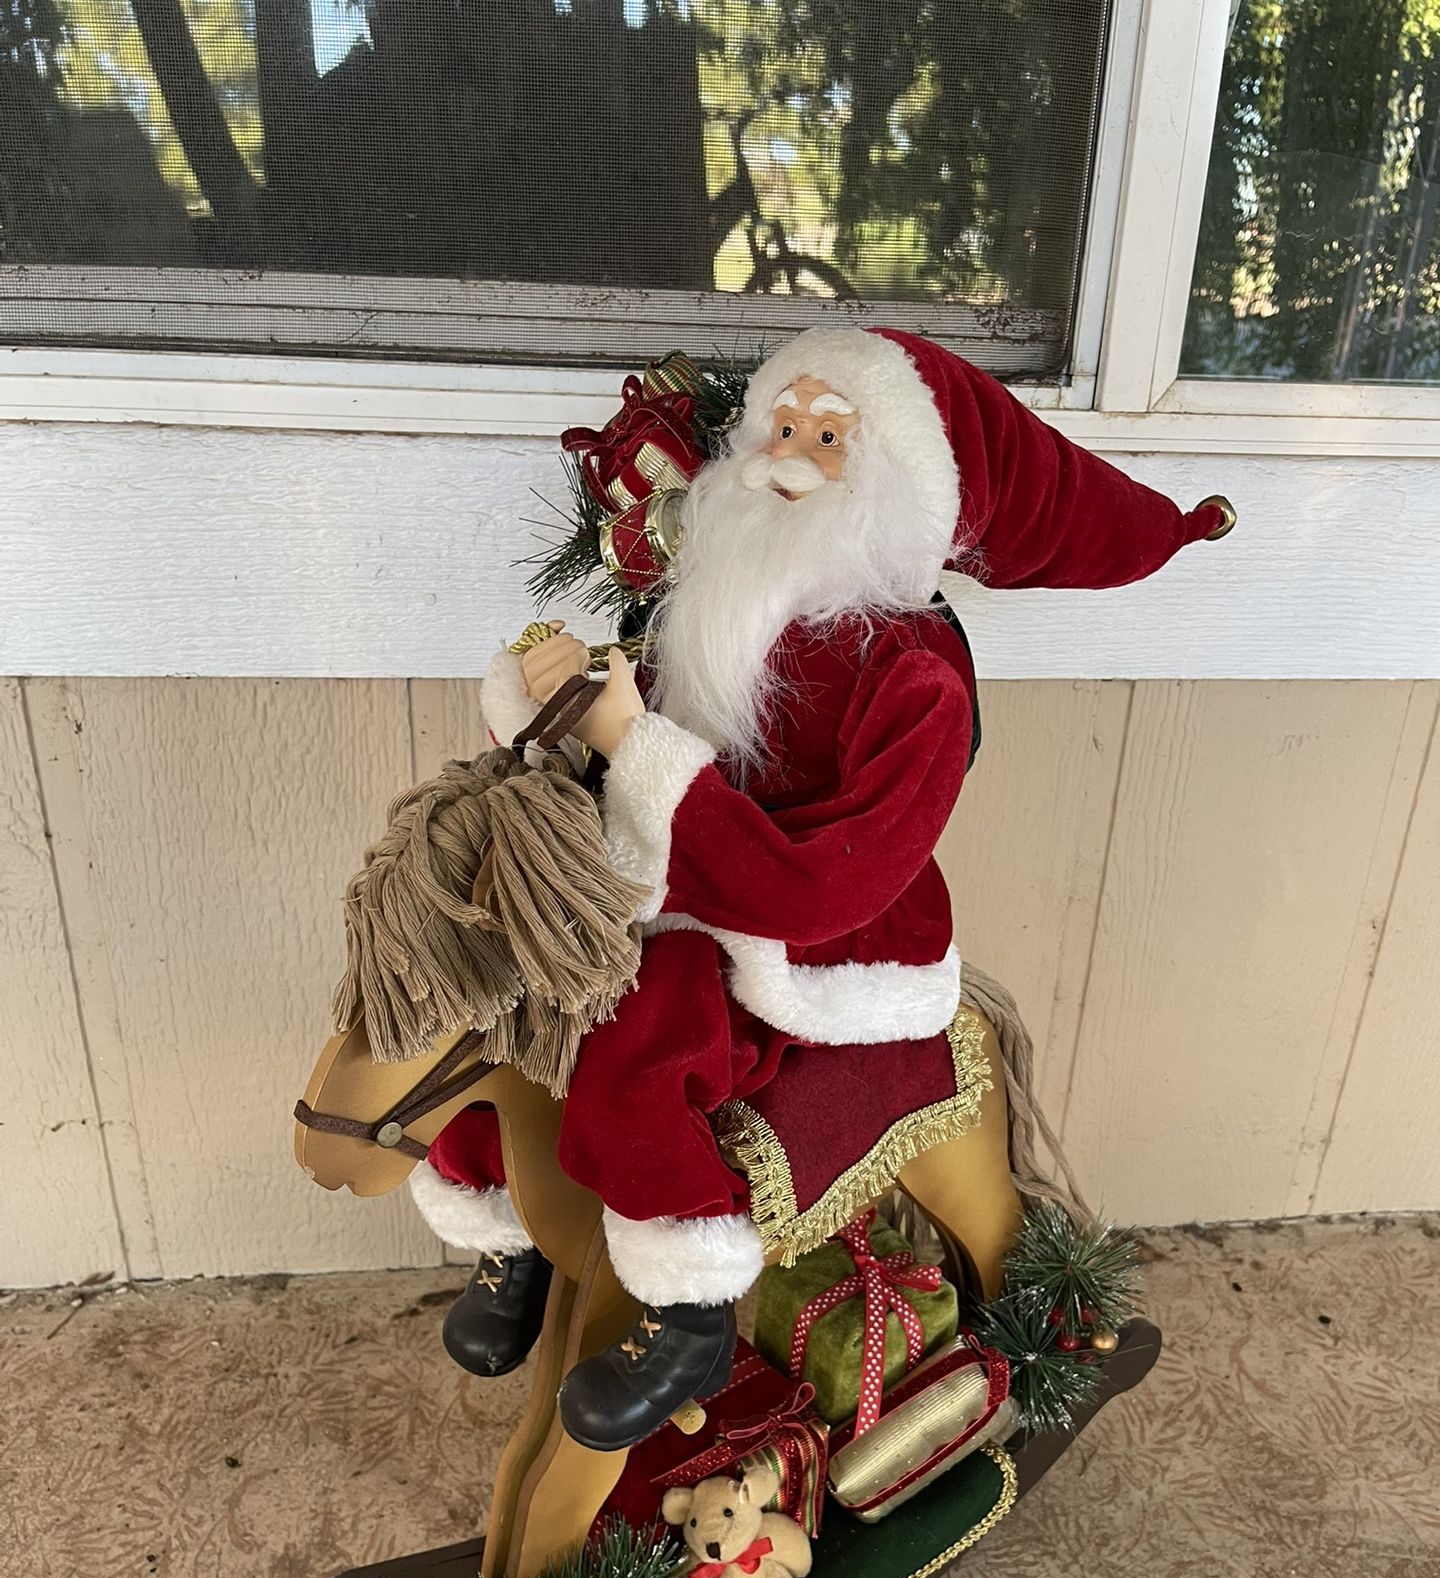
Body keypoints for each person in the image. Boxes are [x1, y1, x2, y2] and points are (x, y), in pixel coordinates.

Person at [413, 327, 1232, 1449]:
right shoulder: (727, 600)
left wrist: (639, 751)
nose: (782, 458)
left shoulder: (913, 676)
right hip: (673, 879)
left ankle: (687, 1299)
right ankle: (502, 1209)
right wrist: (559, 701)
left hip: (813, 939)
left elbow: (820, 885)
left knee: (645, 1031)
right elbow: (633, 721)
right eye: (780, 427)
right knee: (499, 974)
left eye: (828, 438)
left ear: (900, 488)